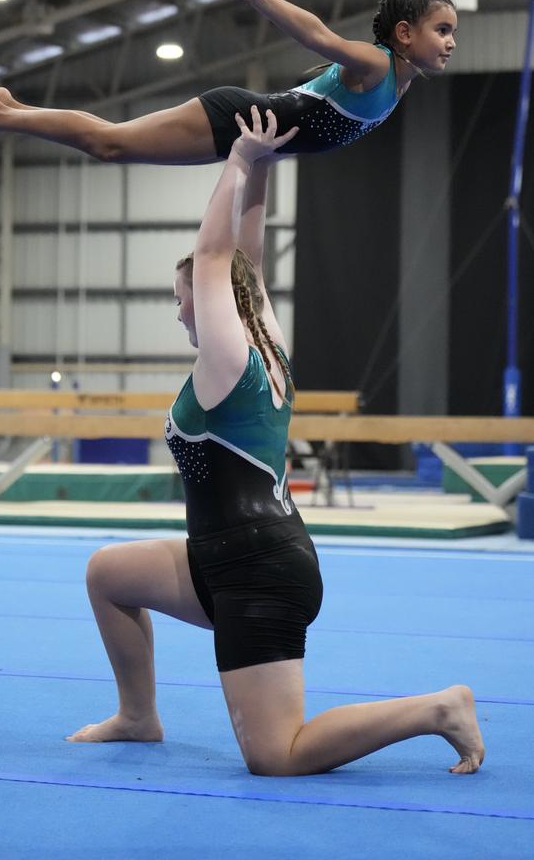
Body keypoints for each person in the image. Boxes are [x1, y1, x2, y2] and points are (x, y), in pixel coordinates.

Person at [65, 107, 484, 776]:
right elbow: (244, 263)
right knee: (109, 574)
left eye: (182, 299)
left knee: (277, 755)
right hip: (233, 555)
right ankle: (139, 715)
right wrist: (259, 166)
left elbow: (213, 257)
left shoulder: (226, 363)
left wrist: (233, 165)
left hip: (260, 577)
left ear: (208, 303)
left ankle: (438, 709)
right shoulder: (267, 343)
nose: (179, 309)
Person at [0, 0, 457, 165]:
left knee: (109, 140)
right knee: (109, 143)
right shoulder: (375, 64)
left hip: (246, 134)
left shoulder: (400, 80)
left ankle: (9, 108)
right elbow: (317, 36)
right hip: (232, 118)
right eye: (443, 30)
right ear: (405, 33)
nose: (452, 41)